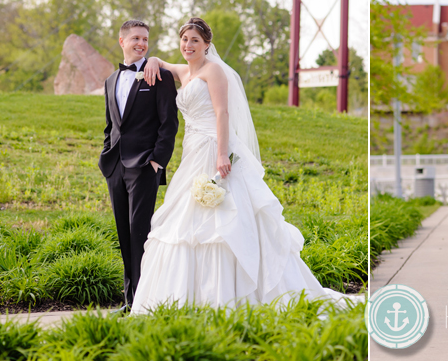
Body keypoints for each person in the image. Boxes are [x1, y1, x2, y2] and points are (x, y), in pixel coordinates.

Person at [129, 17, 346, 313]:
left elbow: (222, 113)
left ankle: (236, 293)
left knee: (223, 220)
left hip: (213, 148)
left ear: (207, 44)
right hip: (192, 152)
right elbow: (163, 63)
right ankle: (186, 298)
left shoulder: (213, 71)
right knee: (184, 221)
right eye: (184, 40)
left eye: (195, 40)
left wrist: (221, 155)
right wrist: (152, 58)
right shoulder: (185, 72)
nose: (188, 45)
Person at [98, 19, 179, 314]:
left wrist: (157, 161)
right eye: (135, 38)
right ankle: (129, 299)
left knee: (140, 233)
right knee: (123, 234)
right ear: (122, 41)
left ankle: (142, 301)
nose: (141, 43)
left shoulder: (160, 76)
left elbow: (168, 124)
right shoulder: (110, 81)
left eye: (145, 39)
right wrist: (106, 156)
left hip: (145, 165)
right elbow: (111, 126)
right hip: (115, 167)